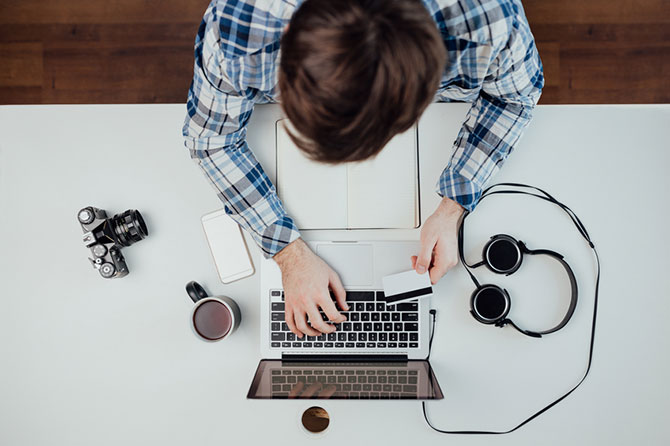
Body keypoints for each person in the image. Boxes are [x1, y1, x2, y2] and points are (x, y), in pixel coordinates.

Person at [183, 0, 543, 339]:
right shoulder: (239, 24)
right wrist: (288, 255)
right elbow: (210, 140)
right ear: (292, 34)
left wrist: (452, 209)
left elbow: (513, 97)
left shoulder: (490, 21)